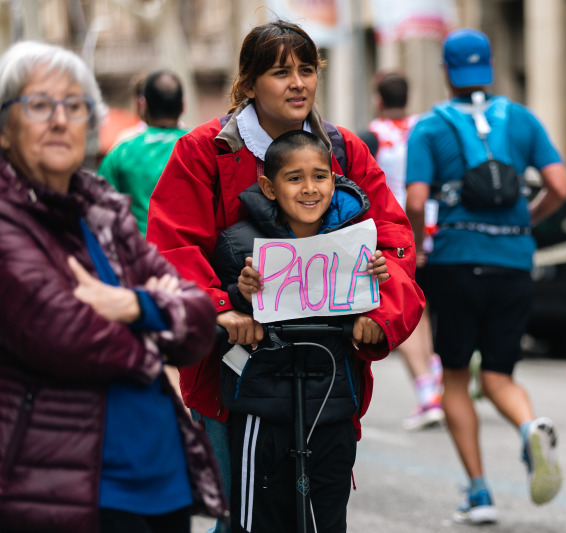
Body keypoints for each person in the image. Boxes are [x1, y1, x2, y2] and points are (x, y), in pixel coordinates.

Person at [146, 20, 424, 533]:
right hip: (231, 374)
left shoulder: (344, 151)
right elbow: (171, 248)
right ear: (250, 83)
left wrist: (381, 316)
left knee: (318, 519)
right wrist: (222, 310)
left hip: (327, 372)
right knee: (239, 519)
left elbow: (393, 240)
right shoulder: (204, 151)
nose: (298, 83)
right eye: (280, 72)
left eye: (306, 70)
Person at [0, 41, 226, 533]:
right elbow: (65, 335)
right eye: (39, 105)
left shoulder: (103, 210)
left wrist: (131, 304)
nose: (60, 120)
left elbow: (201, 318)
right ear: (4, 128)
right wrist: (159, 323)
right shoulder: (8, 221)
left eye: (75, 105)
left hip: (162, 480)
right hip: (71, 487)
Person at [406, 28, 566, 524]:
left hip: (456, 262)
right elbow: (560, 186)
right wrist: (527, 221)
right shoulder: (520, 119)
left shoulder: (430, 127)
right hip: (515, 263)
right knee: (499, 375)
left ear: (446, 72)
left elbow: (415, 200)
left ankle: (479, 492)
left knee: (456, 376)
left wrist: (418, 246)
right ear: (490, 67)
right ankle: (527, 426)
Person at [212, 130, 390, 531]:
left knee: (328, 519)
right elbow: (224, 312)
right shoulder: (238, 243)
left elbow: (375, 310)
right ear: (268, 187)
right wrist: (240, 295)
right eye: (294, 178)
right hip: (263, 407)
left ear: (334, 178)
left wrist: (378, 283)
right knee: (257, 521)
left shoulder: (356, 240)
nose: (310, 189)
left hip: (333, 402)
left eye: (320, 176)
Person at [366, 71, 443, 430]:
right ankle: (435, 383)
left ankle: (428, 396)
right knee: (424, 310)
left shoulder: (372, 136)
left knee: (407, 315)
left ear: (379, 99)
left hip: (397, 234)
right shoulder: (424, 128)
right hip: (432, 229)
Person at [98, 69, 187, 236]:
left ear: (143, 105)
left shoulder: (121, 151)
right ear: (183, 105)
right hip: (190, 254)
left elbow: (99, 206)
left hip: (138, 254)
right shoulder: (201, 145)